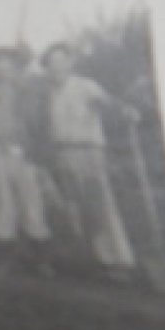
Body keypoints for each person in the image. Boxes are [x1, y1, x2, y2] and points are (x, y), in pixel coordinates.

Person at [41, 42, 137, 278]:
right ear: (47, 68)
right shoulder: (48, 93)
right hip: (62, 153)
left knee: (100, 204)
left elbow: (106, 103)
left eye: (61, 61)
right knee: (76, 208)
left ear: (70, 63)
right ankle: (96, 259)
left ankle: (120, 259)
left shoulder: (85, 86)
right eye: (51, 63)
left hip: (88, 151)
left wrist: (125, 110)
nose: (57, 67)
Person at [0, 44, 53, 276]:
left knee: (32, 206)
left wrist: (39, 157)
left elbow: (42, 126)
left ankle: (41, 260)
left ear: (17, 67)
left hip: (24, 156)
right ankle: (5, 259)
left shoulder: (30, 92)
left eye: (8, 64)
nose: (3, 69)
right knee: (0, 208)